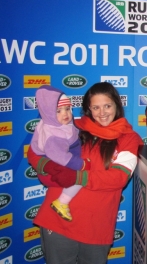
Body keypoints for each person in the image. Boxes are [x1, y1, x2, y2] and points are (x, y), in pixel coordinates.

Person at [27, 82, 143, 264]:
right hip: (58, 221)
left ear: (117, 106)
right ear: (88, 109)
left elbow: (118, 178)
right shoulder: (74, 126)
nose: (102, 112)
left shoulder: (129, 139)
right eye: (96, 107)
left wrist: (77, 177)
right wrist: (49, 166)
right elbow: (35, 150)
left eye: (107, 106)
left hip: (97, 226)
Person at [30, 85, 89, 222]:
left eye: (68, 109)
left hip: (58, 164)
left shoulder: (58, 125)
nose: (65, 114)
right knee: (80, 178)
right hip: (57, 168)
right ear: (49, 113)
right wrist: (81, 164)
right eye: (58, 111)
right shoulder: (54, 135)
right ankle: (62, 202)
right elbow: (61, 157)